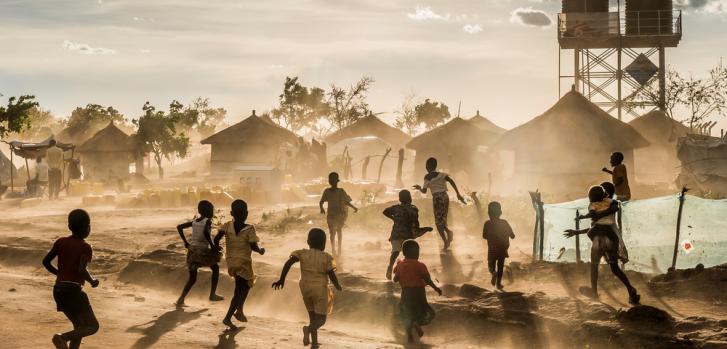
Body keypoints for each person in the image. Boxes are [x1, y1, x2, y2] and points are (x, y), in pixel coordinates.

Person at [565, 186, 640, 305]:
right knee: (615, 268)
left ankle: (594, 292)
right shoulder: (611, 204)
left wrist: (587, 219)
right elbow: (604, 218)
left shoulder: (594, 206)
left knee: (594, 265)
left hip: (598, 236)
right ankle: (630, 290)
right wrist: (578, 230)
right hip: (610, 236)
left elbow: (595, 223)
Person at [272, 228, 342, 349]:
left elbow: (288, 263)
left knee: (313, 317)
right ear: (324, 244)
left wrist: (282, 279)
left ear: (308, 241)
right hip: (319, 290)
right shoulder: (327, 257)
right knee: (321, 320)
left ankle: (314, 342)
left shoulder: (302, 253)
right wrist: (337, 285)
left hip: (305, 288)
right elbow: (331, 273)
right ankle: (308, 329)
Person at [42, 209, 100, 349]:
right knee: (92, 326)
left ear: (69, 227)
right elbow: (81, 269)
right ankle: (62, 337)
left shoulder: (61, 242)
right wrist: (92, 281)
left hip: (58, 290)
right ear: (88, 228)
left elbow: (46, 262)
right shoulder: (85, 247)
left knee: (79, 326)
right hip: (73, 291)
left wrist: (60, 275)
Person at [214, 199, 266, 329]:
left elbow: (216, 239)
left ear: (231, 213)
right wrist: (260, 251)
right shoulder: (249, 228)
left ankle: (240, 310)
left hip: (231, 261)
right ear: (246, 213)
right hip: (243, 263)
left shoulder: (227, 225)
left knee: (247, 284)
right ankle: (228, 317)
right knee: (239, 291)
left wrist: (216, 248)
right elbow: (253, 246)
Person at [393, 240, 442, 343]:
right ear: (415, 253)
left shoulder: (400, 265)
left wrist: (399, 267)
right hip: (418, 294)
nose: (418, 254)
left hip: (406, 293)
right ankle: (416, 323)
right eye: (417, 251)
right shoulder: (420, 265)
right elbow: (427, 280)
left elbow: (395, 279)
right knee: (429, 313)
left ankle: (410, 336)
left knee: (407, 314)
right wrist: (436, 288)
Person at [176, 200, 224, 306]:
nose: (213, 212)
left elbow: (179, 227)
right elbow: (206, 232)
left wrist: (186, 242)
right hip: (202, 251)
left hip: (192, 251)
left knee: (192, 279)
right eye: (212, 210)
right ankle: (212, 294)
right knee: (215, 268)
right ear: (208, 211)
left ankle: (181, 299)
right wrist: (212, 246)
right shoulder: (208, 221)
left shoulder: (195, 222)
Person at [413, 157, 466, 250]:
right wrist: (458, 193)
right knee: (442, 219)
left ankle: (446, 241)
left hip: (437, 199)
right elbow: (451, 181)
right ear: (435, 166)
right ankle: (448, 233)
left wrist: (419, 188)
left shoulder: (427, 177)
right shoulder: (442, 174)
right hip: (445, 197)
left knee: (438, 222)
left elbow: (424, 191)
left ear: (427, 166)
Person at [383, 190, 432, 280]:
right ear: (410, 198)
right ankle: (408, 272)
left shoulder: (396, 208)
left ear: (400, 198)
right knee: (410, 255)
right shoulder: (413, 209)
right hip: (407, 235)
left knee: (395, 252)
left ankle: (390, 267)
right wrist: (424, 229)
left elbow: (385, 211)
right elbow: (416, 224)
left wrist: (394, 219)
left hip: (396, 234)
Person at [319, 172, 358, 255]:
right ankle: (333, 248)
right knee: (332, 232)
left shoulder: (341, 191)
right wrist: (321, 208)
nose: (332, 182)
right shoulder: (327, 191)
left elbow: (346, 202)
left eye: (333, 180)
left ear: (336, 181)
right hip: (331, 215)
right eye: (331, 180)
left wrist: (353, 207)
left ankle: (339, 247)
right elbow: (321, 202)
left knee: (339, 230)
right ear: (330, 181)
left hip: (339, 215)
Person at [482, 201, 515, 290]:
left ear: (489, 213)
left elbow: (484, 236)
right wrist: (507, 234)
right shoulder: (504, 223)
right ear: (500, 213)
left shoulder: (487, 223)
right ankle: (498, 284)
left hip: (492, 248)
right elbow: (513, 236)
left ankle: (493, 273)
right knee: (500, 266)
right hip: (503, 248)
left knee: (490, 265)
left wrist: (492, 236)